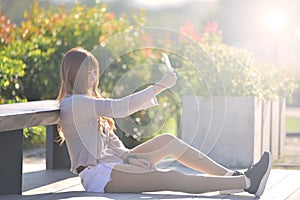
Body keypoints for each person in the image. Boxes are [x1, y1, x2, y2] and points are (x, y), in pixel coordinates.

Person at [57, 47, 272, 197]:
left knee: (169, 141)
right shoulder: (74, 104)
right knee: (171, 178)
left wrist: (129, 157)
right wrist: (159, 86)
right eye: (89, 73)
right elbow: (121, 107)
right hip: (100, 176)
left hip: (114, 164)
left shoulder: (87, 101)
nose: (94, 78)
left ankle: (229, 178)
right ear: (74, 74)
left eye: (95, 72)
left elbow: (112, 141)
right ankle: (247, 182)